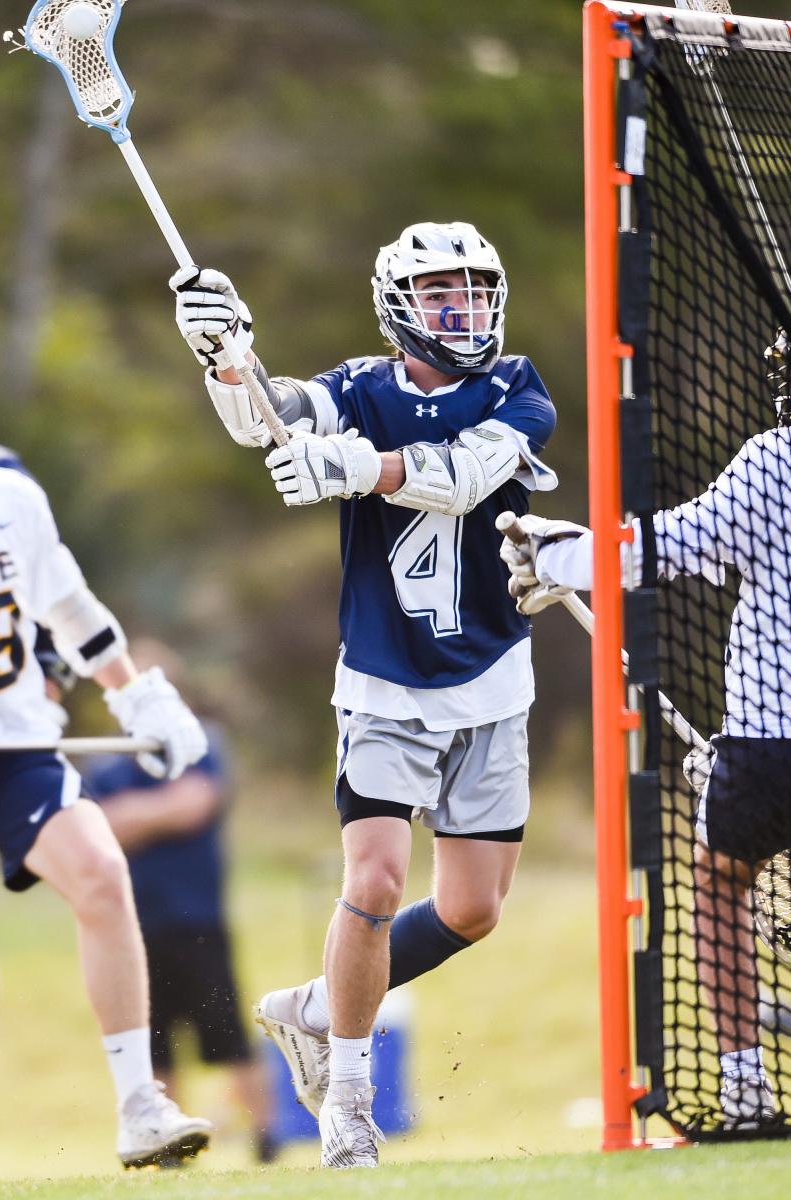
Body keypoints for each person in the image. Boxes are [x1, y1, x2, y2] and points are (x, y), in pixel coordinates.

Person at [170, 221, 558, 1167]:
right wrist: (228, 358)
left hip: (492, 683)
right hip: (384, 683)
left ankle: (311, 1007)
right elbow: (272, 412)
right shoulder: (353, 388)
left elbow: (465, 479)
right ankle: (348, 1104)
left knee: (472, 910)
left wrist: (353, 468)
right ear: (399, 307)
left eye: (471, 290)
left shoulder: (516, 388)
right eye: (439, 293)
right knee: (376, 880)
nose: (459, 308)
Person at [501, 292, 791, 1129]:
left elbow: (669, 547)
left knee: (719, 883)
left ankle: (743, 1089)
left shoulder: (780, 456)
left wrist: (565, 554)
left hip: (770, 747)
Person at [0, 331, 213, 1183]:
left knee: (102, 874)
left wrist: (136, 691)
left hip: (12, 749)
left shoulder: (12, 500)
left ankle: (138, 1104)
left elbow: (69, 608)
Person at [86, 639, 276, 1165]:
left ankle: (266, 1138)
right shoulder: (108, 763)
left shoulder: (201, 743)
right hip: (136, 925)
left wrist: (136, 814)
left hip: (199, 918)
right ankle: (170, 1146)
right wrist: (158, 810)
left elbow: (195, 804)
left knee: (228, 1036)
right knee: (155, 1042)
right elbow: (100, 828)